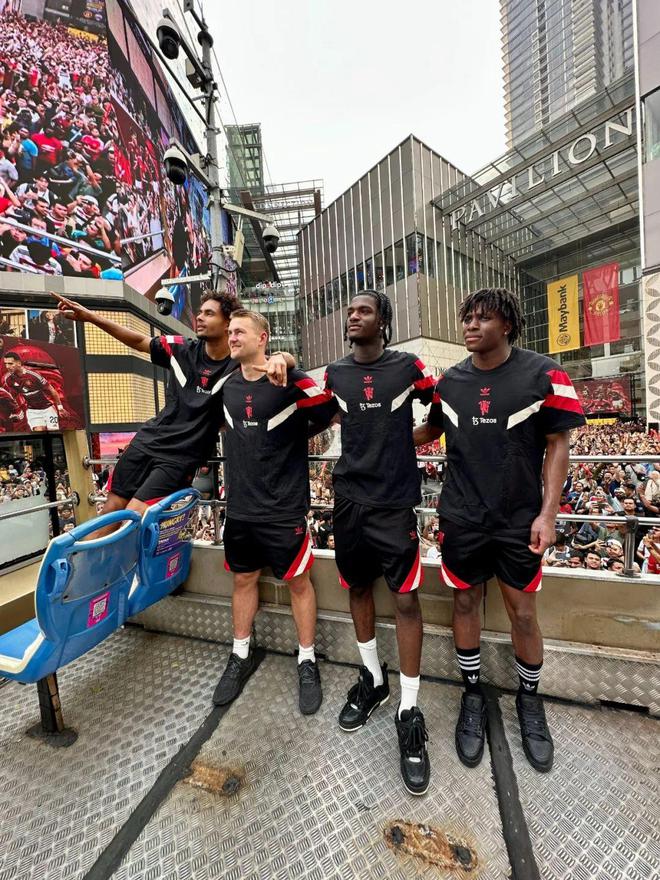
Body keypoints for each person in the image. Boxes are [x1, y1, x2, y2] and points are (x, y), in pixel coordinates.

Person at [415, 287, 585, 774]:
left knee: (523, 614)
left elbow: (558, 445)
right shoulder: (450, 382)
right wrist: (377, 438)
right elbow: (431, 431)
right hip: (462, 517)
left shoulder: (544, 374)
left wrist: (548, 514)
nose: (470, 325)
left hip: (518, 521)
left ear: (506, 325)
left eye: (483, 318)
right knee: (465, 603)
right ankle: (472, 694)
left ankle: (529, 700)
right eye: (467, 317)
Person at [53, 291, 294, 532]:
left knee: (134, 518)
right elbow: (138, 340)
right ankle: (84, 556)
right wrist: (90, 317)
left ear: (227, 324)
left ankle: (116, 557)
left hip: (181, 458)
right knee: (110, 509)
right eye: (200, 312)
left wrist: (281, 357)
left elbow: (280, 361)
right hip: (147, 441)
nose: (199, 317)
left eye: (209, 313)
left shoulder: (239, 364)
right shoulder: (182, 348)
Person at [323, 290, 435, 796]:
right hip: (348, 500)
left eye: (364, 310)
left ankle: (409, 708)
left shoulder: (409, 368)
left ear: (383, 321)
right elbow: (324, 415)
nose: (353, 315)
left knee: (406, 600)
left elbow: (439, 416)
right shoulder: (334, 374)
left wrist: (400, 443)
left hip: (394, 504)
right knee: (357, 588)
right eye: (350, 310)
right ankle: (373, 679)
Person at [212, 310, 336, 715]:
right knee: (243, 579)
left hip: (285, 509)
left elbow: (330, 411)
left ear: (262, 338)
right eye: (230, 332)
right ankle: (240, 654)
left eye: (239, 332)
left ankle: (307, 659)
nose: (232, 337)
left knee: (298, 583)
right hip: (241, 508)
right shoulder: (226, 385)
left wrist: (289, 361)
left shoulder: (290, 380)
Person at [2, 350, 66, 431]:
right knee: (39, 432)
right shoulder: (8, 379)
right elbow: (13, 396)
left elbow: (52, 390)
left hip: (48, 409)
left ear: (19, 363)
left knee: (53, 433)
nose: (7, 366)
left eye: (10, 363)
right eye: (6, 364)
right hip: (33, 412)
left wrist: (60, 408)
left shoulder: (33, 375)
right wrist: (14, 411)